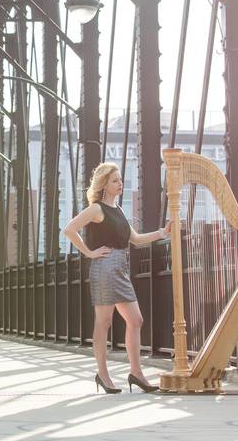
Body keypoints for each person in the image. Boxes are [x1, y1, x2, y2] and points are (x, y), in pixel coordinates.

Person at [62, 162, 169, 394]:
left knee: (136, 320)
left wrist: (161, 233)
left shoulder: (118, 210)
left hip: (121, 268)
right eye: (115, 181)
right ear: (104, 185)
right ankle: (103, 373)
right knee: (104, 322)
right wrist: (89, 253)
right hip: (105, 267)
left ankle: (136, 372)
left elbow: (137, 239)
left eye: (120, 180)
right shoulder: (96, 209)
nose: (120, 183)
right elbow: (69, 229)